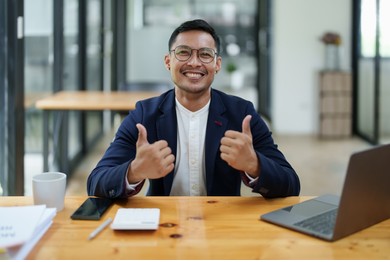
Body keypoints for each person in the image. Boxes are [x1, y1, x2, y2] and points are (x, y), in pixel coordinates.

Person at [87, 19, 300, 198]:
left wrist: (254, 165)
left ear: (217, 64)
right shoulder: (144, 114)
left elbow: (291, 185)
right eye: (183, 52)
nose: (194, 62)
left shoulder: (242, 114)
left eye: (205, 54)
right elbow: (96, 183)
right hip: (163, 227)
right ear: (168, 61)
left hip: (222, 226)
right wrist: (134, 171)